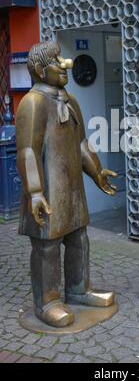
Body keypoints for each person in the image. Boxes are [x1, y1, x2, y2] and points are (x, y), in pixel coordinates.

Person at [16, 41, 118, 327]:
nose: (65, 64)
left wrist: (96, 171)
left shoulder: (69, 100)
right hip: (48, 188)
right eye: (56, 60)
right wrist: (35, 191)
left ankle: (79, 289)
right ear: (39, 69)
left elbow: (82, 143)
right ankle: (46, 301)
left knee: (78, 239)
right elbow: (27, 151)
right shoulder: (33, 103)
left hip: (71, 188)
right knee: (47, 245)